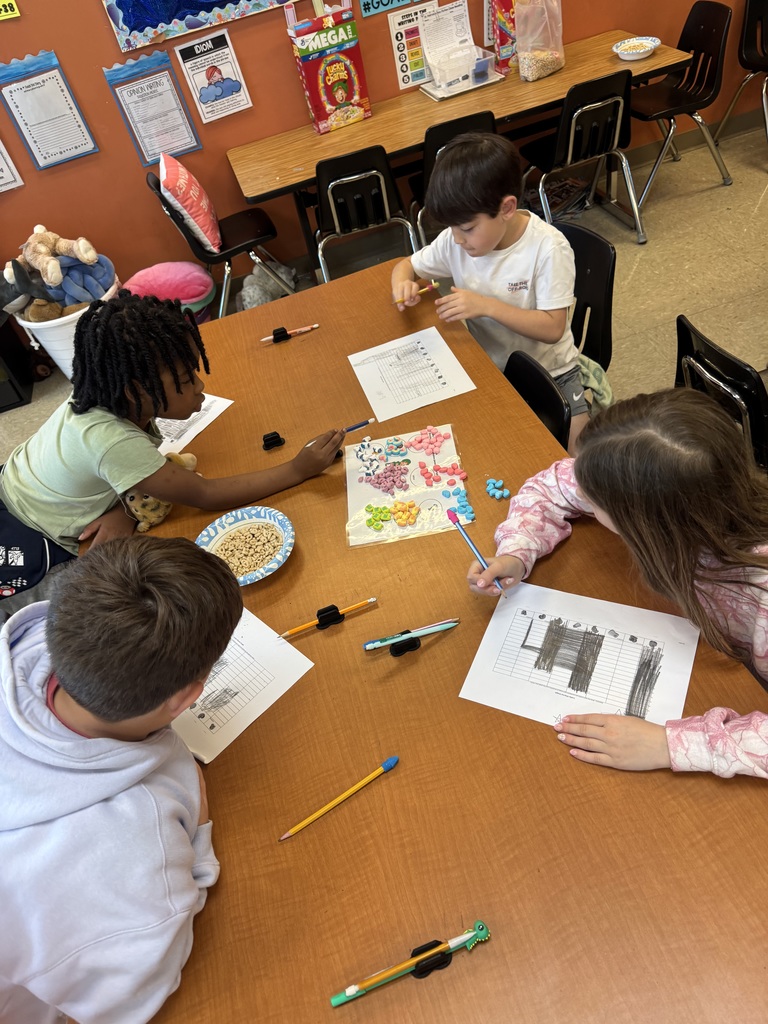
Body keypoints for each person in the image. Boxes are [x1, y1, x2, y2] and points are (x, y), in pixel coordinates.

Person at [0, 535, 243, 1022]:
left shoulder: (24, 641)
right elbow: (141, 991)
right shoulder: (133, 851)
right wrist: (195, 822)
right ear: (184, 699)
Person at [467, 389, 768, 780]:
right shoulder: (680, 494)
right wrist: (517, 551)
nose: (583, 499)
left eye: (595, 502)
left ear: (642, 522)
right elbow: (552, 487)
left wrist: (670, 744)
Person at [0, 291, 345, 614]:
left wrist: (126, 510)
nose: (199, 386)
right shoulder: (114, 441)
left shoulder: (98, 392)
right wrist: (298, 469)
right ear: (135, 390)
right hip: (36, 545)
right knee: (91, 601)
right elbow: (205, 494)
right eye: (185, 378)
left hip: (13, 482)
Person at [391, 132, 586, 449]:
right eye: (450, 228)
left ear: (507, 208)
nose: (456, 239)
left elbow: (553, 327)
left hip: (553, 372)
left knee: (581, 458)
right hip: (492, 372)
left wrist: (486, 306)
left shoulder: (548, 248)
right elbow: (406, 265)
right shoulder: (457, 240)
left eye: (467, 229)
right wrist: (402, 282)